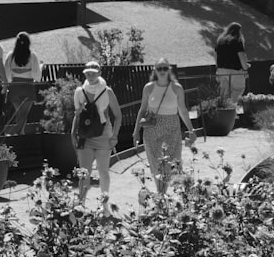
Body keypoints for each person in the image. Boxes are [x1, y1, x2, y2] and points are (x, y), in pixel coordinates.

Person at [132, 59, 197, 194]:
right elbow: (142, 109)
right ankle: (161, 194)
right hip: (152, 131)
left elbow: (183, 110)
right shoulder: (148, 88)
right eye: (159, 68)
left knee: (171, 164)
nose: (162, 71)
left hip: (172, 129)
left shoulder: (177, 88)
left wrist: (191, 130)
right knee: (156, 165)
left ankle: (163, 195)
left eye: (165, 68)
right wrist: (136, 131)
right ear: (155, 70)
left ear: (169, 70)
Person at [72, 62, 122, 208]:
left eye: (94, 72)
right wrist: (73, 132)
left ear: (99, 73)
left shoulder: (107, 91)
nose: (90, 75)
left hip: (103, 134)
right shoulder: (80, 91)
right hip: (85, 135)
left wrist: (115, 136)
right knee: (84, 173)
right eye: (88, 72)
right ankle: (81, 205)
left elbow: (118, 115)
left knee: (103, 171)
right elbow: (77, 114)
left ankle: (105, 204)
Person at [4, 32, 42, 134]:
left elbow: (6, 72)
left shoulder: (10, 55)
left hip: (14, 87)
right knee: (24, 114)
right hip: (28, 86)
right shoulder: (32, 55)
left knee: (18, 113)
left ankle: (20, 133)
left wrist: (8, 82)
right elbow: (36, 74)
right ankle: (18, 133)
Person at [215, 22, 250, 104]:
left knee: (224, 94)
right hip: (235, 72)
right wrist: (245, 68)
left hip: (221, 71)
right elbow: (242, 57)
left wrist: (218, 69)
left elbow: (215, 56)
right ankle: (232, 110)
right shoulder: (237, 41)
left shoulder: (220, 41)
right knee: (238, 90)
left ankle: (224, 112)